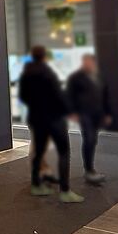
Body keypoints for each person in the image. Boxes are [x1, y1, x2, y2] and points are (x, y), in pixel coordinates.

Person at [19, 46, 84, 203]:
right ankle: (65, 191)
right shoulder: (48, 73)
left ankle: (36, 185)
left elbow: (23, 96)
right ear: (44, 57)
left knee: (38, 152)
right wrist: (69, 111)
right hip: (54, 119)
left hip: (36, 118)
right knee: (64, 152)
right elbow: (58, 95)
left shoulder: (26, 74)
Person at [67, 54, 110, 185]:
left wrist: (107, 113)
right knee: (89, 139)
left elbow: (105, 96)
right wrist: (72, 112)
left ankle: (90, 168)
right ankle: (89, 170)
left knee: (93, 140)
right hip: (84, 113)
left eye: (90, 62)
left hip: (97, 113)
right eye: (85, 61)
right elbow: (69, 95)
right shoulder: (75, 78)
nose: (87, 64)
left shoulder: (99, 77)